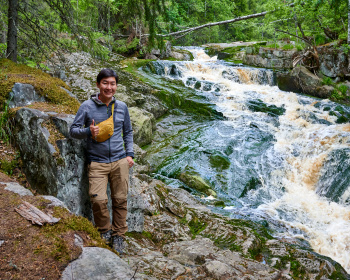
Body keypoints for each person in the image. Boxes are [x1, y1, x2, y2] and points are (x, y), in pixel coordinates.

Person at [69, 68, 134, 254]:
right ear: (98, 85)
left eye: (112, 83)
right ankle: (104, 231)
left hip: (120, 160)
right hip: (97, 162)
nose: (109, 87)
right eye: (105, 83)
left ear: (116, 86)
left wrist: (130, 154)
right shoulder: (87, 107)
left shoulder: (122, 107)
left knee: (120, 200)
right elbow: (73, 130)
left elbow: (128, 132)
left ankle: (119, 236)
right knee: (98, 200)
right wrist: (88, 132)